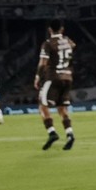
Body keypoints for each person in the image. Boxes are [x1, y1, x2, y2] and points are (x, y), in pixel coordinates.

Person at [35, 19, 76, 150]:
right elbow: (73, 46)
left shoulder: (48, 44)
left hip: (53, 77)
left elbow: (43, 63)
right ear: (62, 29)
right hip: (67, 77)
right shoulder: (68, 41)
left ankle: (52, 132)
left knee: (42, 106)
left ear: (49, 30)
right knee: (62, 108)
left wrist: (38, 76)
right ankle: (70, 134)